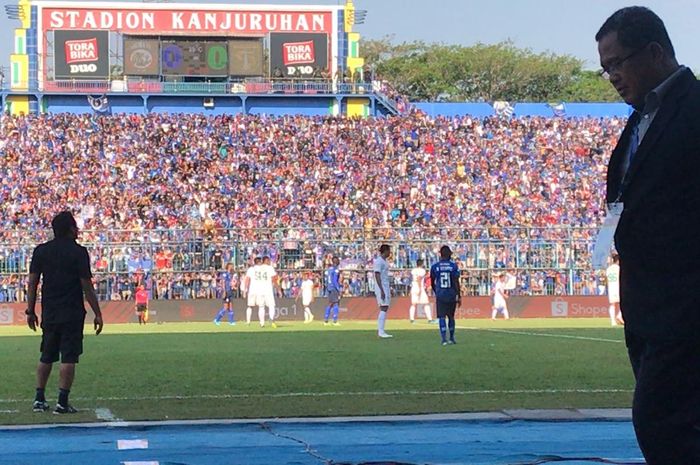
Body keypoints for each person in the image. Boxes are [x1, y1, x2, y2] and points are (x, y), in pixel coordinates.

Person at [597, 7, 700, 463]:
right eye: (606, 69)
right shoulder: (639, 120)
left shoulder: (692, 111)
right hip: (647, 308)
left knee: (658, 421)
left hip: (684, 308)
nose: (613, 76)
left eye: (618, 63)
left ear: (655, 53)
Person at [25, 211, 103, 414]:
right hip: (72, 312)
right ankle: (62, 401)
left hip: (50, 311)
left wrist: (30, 310)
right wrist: (97, 312)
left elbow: (32, 282)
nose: (78, 230)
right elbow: (86, 285)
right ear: (70, 229)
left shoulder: (41, 251)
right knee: (69, 357)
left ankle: (39, 398)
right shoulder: (79, 252)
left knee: (46, 355)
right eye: (75, 226)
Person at [430, 246, 461, 345]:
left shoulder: (435, 267)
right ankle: (451, 338)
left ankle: (444, 339)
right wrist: (458, 295)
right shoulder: (453, 266)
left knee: (442, 317)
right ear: (449, 255)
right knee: (451, 317)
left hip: (441, 294)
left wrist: (436, 291)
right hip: (451, 294)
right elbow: (456, 281)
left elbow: (432, 281)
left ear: (441, 254)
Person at [373, 244, 393, 338]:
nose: (390, 253)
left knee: (385, 307)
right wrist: (381, 289)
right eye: (389, 251)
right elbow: (377, 275)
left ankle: (382, 330)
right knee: (383, 307)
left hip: (385, 285)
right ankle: (380, 331)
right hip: (381, 287)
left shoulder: (384, 261)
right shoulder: (379, 261)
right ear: (385, 251)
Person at [409, 259, 434, 324]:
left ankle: (412, 319)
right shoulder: (422, 270)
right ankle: (430, 319)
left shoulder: (413, 270)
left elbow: (416, 278)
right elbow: (419, 278)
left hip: (413, 286)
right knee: (426, 303)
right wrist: (420, 288)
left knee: (413, 304)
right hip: (419, 287)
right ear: (422, 264)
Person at [259, 256, 279, 328]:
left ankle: (262, 323)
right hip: (268, 289)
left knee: (261, 307)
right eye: (269, 261)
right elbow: (274, 279)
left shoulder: (258, 268)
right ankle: (271, 320)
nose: (270, 262)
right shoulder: (270, 268)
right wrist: (278, 289)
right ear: (266, 260)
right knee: (272, 305)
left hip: (260, 290)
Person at [243, 258, 262, 325]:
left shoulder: (251, 269)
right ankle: (262, 323)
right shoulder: (263, 269)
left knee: (249, 306)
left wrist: (245, 290)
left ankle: (248, 322)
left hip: (252, 290)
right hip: (260, 290)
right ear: (260, 262)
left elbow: (247, 280)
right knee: (261, 306)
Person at [605, 254, 623, 326]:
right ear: (618, 261)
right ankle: (619, 315)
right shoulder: (619, 268)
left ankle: (613, 321)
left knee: (612, 304)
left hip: (611, 288)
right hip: (618, 287)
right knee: (623, 303)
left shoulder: (608, 269)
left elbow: (607, 279)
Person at [324, 257, 342, 326]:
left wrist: (328, 287)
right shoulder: (335, 270)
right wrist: (338, 289)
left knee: (330, 303)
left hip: (329, 288)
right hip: (334, 288)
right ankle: (335, 320)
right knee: (336, 303)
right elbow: (335, 281)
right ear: (337, 262)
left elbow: (326, 279)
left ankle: (326, 320)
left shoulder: (329, 269)